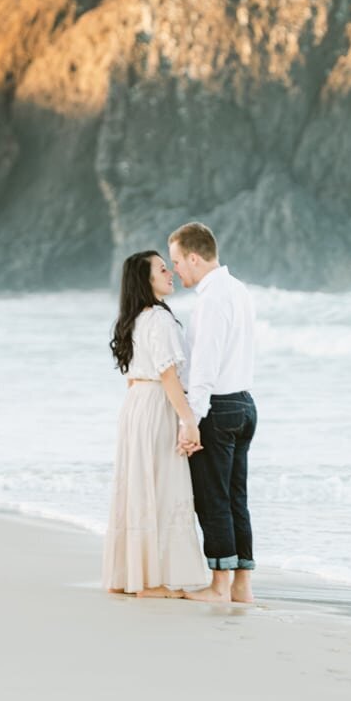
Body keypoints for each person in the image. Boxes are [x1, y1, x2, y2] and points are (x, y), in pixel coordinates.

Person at [102, 251, 224, 601]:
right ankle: (156, 581)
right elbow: (169, 376)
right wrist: (189, 421)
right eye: (161, 269)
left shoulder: (132, 320)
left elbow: (133, 378)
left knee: (137, 485)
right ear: (146, 280)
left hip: (135, 405)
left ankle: (127, 574)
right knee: (163, 486)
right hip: (157, 403)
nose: (170, 272)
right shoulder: (160, 320)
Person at [167, 222, 259, 604]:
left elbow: (204, 367)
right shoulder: (239, 290)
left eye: (176, 261)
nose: (174, 270)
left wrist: (193, 421)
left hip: (217, 408)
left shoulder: (211, 299)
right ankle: (242, 586)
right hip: (244, 402)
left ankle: (219, 586)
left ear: (194, 256)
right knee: (236, 496)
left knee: (212, 498)